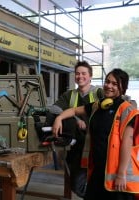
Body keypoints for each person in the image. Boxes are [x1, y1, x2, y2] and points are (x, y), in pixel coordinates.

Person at [52, 68, 137, 200]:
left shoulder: (127, 110)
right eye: (107, 82)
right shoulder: (97, 106)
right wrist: (59, 118)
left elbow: (127, 144)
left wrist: (121, 174)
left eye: (115, 84)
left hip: (117, 173)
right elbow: (74, 111)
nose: (109, 86)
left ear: (123, 88)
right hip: (97, 170)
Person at [48, 60, 103, 196]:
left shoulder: (99, 93)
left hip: (97, 145)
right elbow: (54, 108)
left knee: (99, 180)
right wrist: (73, 118)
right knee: (77, 184)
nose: (80, 76)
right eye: (77, 74)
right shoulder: (70, 95)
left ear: (90, 76)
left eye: (84, 73)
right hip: (78, 146)